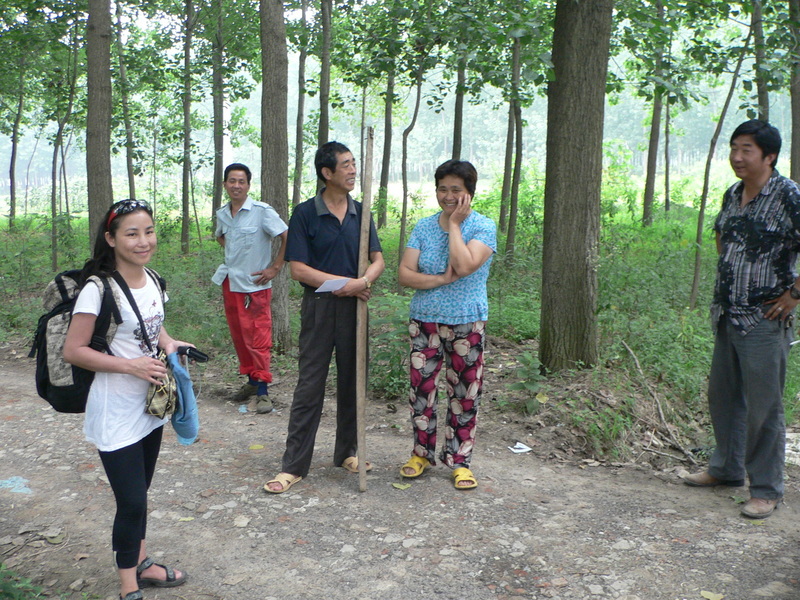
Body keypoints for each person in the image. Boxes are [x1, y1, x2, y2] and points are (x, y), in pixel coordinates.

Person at [63, 199, 193, 600]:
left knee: (142, 494)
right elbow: (74, 350)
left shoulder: (152, 279)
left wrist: (171, 345)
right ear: (111, 238)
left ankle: (142, 563)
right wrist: (130, 367)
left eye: (149, 231)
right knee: (132, 501)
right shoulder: (97, 289)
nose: (143, 241)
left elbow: (154, 329)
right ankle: (127, 586)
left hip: (149, 409)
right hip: (115, 411)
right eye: (132, 234)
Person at [683, 120, 800, 519]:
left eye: (747, 149)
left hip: (766, 319)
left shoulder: (789, 196)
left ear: (769, 156)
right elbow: (722, 238)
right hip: (728, 313)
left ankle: (766, 489)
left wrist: (794, 293)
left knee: (764, 408)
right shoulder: (733, 194)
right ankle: (726, 469)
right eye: (734, 148)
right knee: (725, 397)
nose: (737, 156)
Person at [264, 141, 385, 493]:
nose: (352, 171)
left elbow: (377, 260)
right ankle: (294, 465)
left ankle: (346, 452)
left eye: (353, 164)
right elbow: (299, 270)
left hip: (356, 308)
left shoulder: (361, 214)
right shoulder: (305, 214)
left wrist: (362, 282)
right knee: (310, 386)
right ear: (326, 173)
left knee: (353, 381)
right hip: (319, 309)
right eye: (345, 165)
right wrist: (344, 285)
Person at [397, 160, 496, 490]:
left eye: (457, 189)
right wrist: (439, 279)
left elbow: (465, 265)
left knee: (464, 394)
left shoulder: (482, 227)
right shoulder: (423, 228)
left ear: (469, 193)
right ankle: (420, 454)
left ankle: (460, 461)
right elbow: (404, 274)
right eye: (443, 188)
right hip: (424, 321)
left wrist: (454, 225)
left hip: (467, 322)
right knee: (421, 391)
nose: (449, 195)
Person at [212, 163, 288, 414]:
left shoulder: (261, 211)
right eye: (232, 181)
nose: (236, 186)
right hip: (231, 283)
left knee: (258, 338)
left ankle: (263, 389)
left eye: (241, 181)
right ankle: (252, 382)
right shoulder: (222, 213)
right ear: (225, 185)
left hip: (255, 287)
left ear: (248, 185)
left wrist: (274, 267)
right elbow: (221, 236)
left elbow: (286, 235)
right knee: (240, 337)